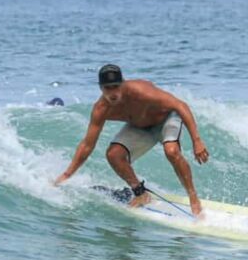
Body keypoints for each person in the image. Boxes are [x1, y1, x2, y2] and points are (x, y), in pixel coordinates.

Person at [53, 64, 208, 217]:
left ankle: (193, 197)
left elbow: (180, 105)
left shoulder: (141, 91)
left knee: (172, 151)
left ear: (123, 84)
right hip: (140, 127)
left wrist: (197, 141)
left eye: (116, 86)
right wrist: (67, 175)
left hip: (166, 118)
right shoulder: (101, 109)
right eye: (108, 88)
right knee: (114, 154)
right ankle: (140, 193)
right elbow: (87, 145)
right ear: (100, 88)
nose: (113, 93)